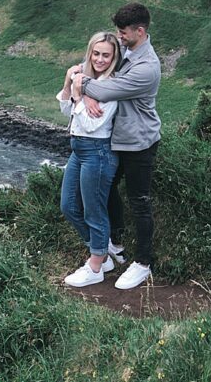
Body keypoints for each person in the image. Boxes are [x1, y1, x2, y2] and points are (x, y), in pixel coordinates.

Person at [68, 2, 161, 290]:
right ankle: (115, 244)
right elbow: (89, 68)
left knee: (139, 201)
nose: (118, 36)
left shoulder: (147, 68)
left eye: (123, 33)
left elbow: (107, 89)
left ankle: (144, 263)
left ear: (140, 31)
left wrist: (80, 85)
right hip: (113, 139)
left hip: (138, 142)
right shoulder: (127, 51)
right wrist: (79, 79)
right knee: (104, 191)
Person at [57, 31, 123, 287]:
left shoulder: (110, 85)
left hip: (98, 151)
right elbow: (67, 113)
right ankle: (101, 251)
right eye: (96, 53)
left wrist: (78, 94)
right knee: (69, 206)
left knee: (94, 211)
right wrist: (70, 84)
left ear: (114, 57)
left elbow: (90, 123)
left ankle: (96, 265)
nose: (100, 59)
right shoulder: (86, 80)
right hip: (80, 150)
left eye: (106, 55)